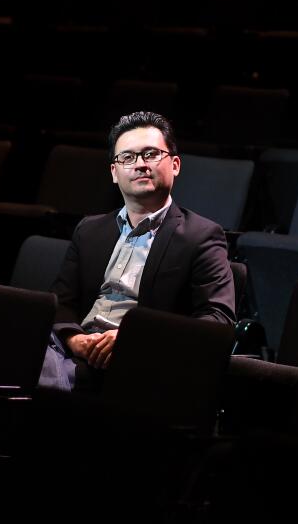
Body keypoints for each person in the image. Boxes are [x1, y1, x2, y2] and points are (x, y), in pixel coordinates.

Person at [39, 111, 235, 391]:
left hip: (139, 362)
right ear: (114, 173)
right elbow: (62, 301)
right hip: (73, 352)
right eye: (128, 158)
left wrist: (135, 337)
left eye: (151, 154)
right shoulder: (90, 230)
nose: (140, 165)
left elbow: (218, 320)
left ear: (175, 165)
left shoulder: (201, 235)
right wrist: (75, 340)